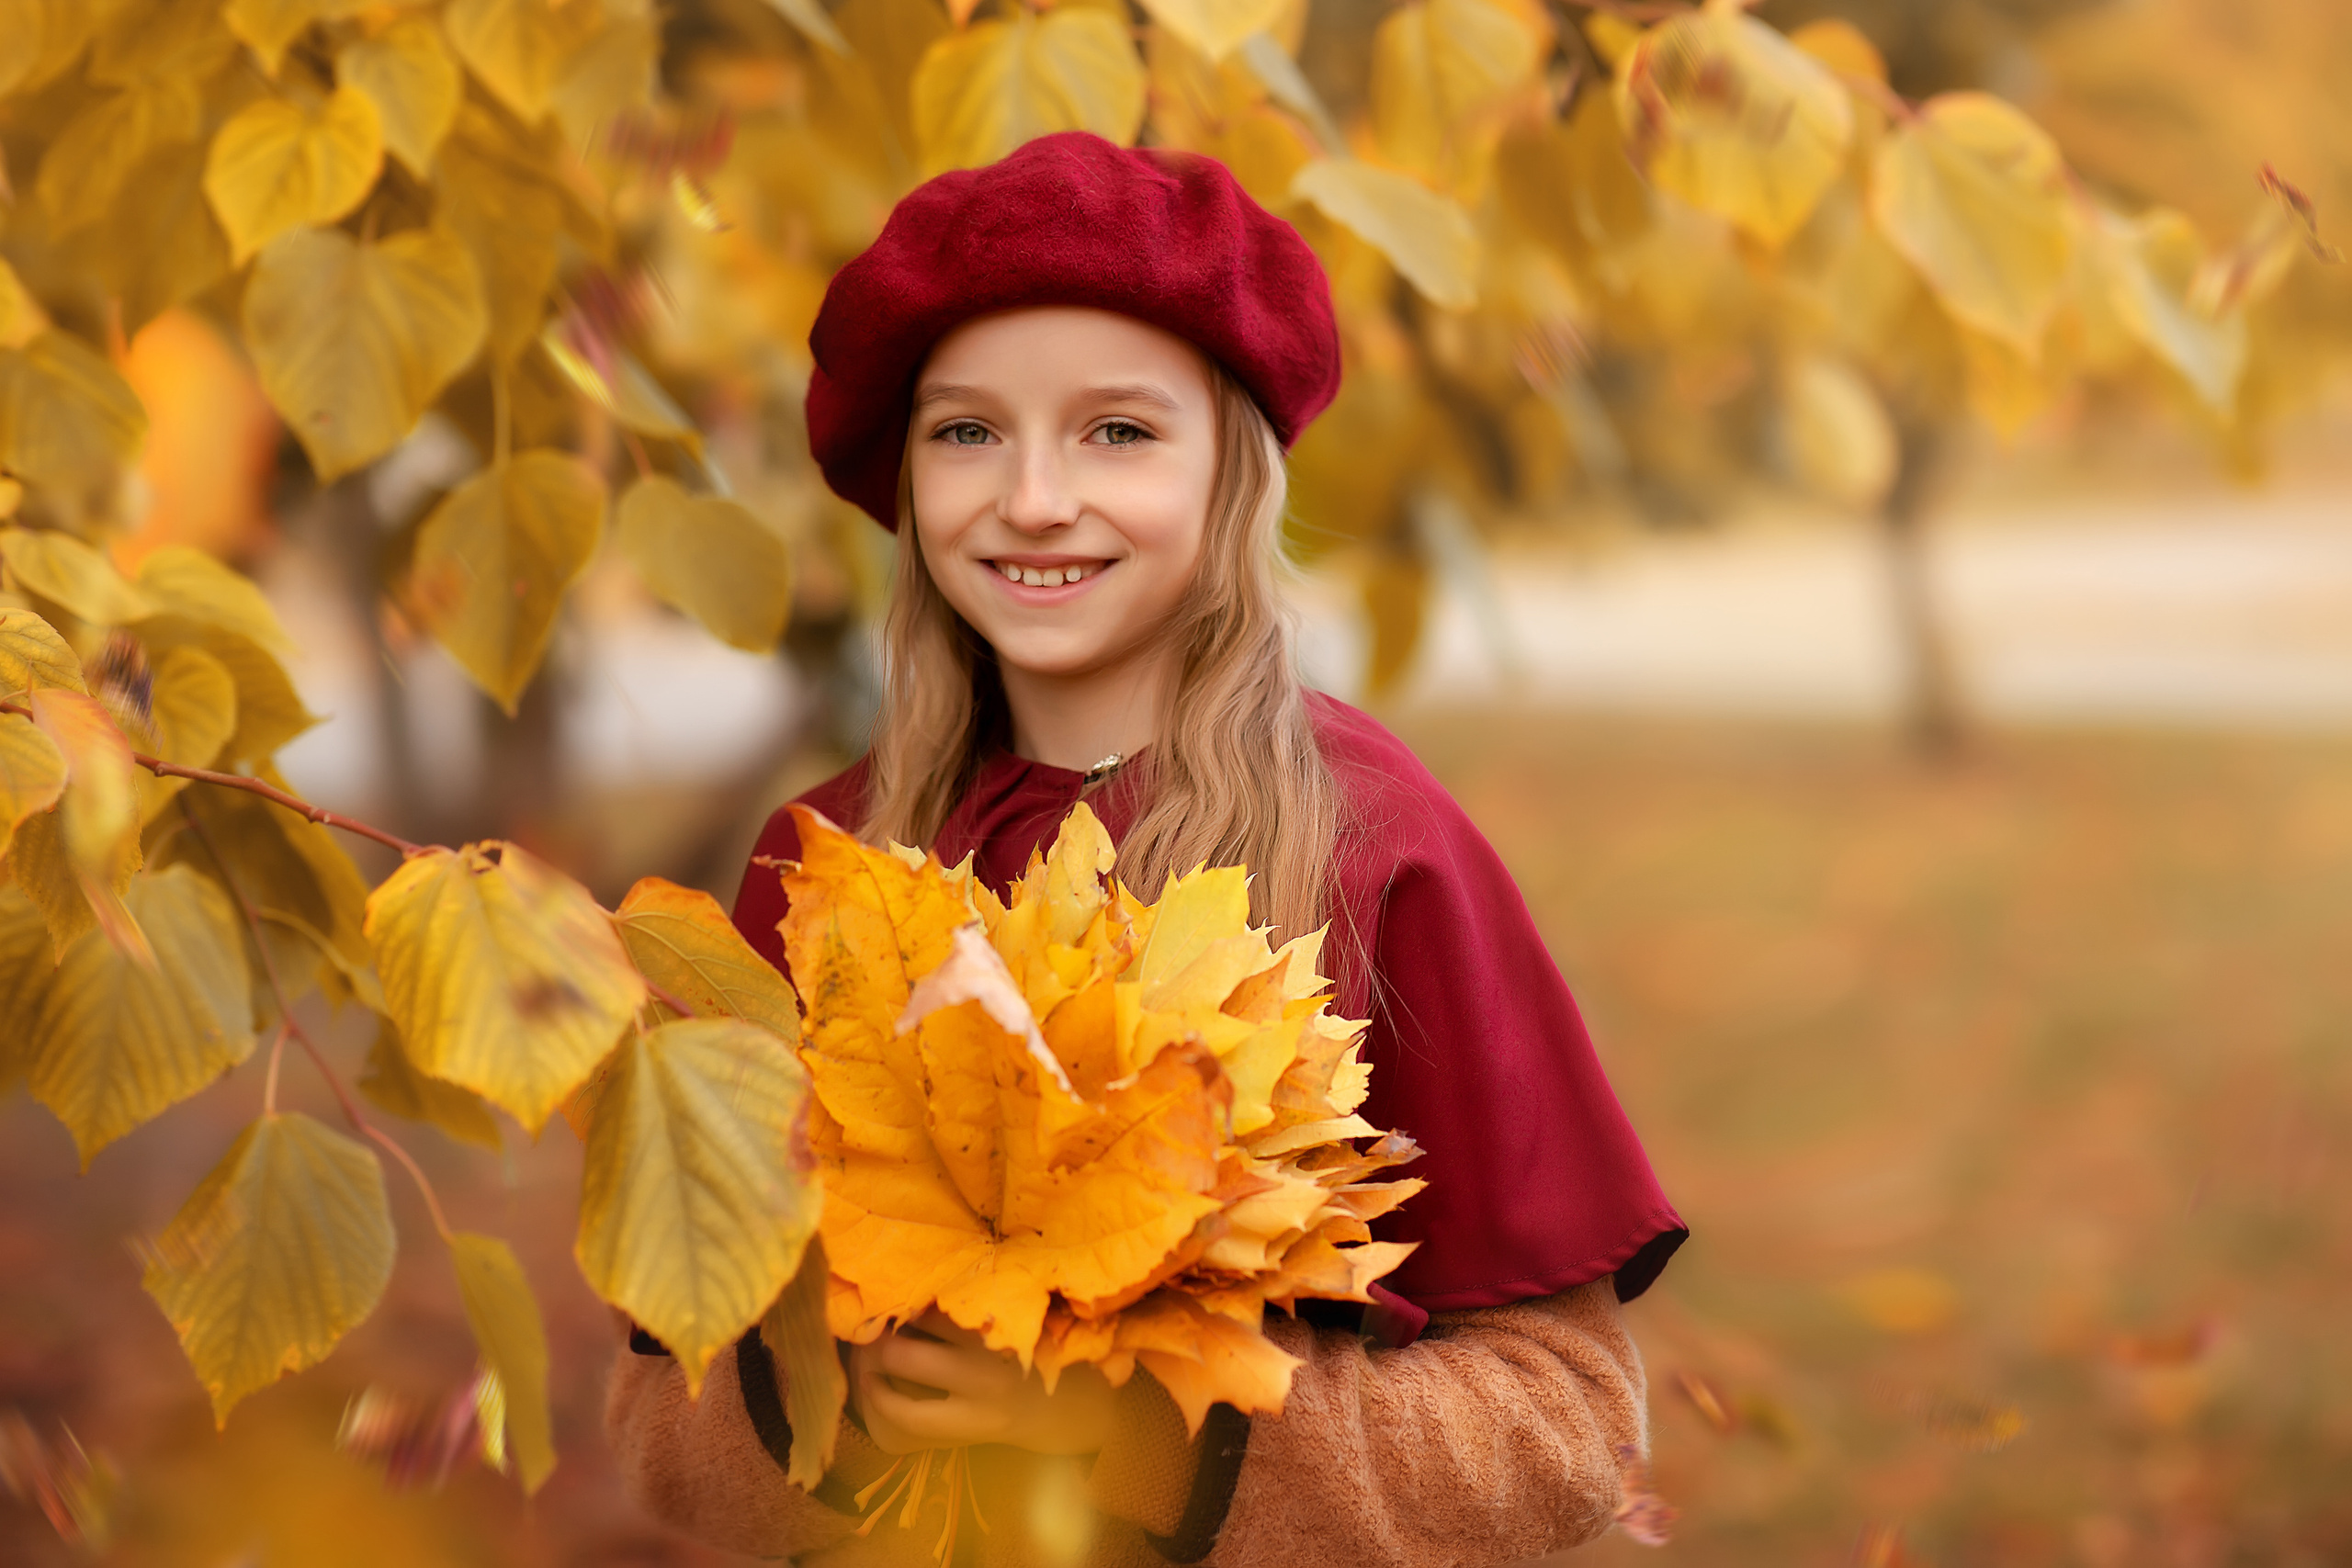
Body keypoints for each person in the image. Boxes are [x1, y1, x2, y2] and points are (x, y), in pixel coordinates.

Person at [606, 130, 1685, 1568]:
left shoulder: (1374, 846)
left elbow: (1572, 1431)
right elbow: (649, 1403)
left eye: (1118, 431)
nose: (1035, 497)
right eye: (968, 430)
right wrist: (837, 1402)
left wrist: (1130, 1434)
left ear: (1229, 471)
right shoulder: (820, 862)